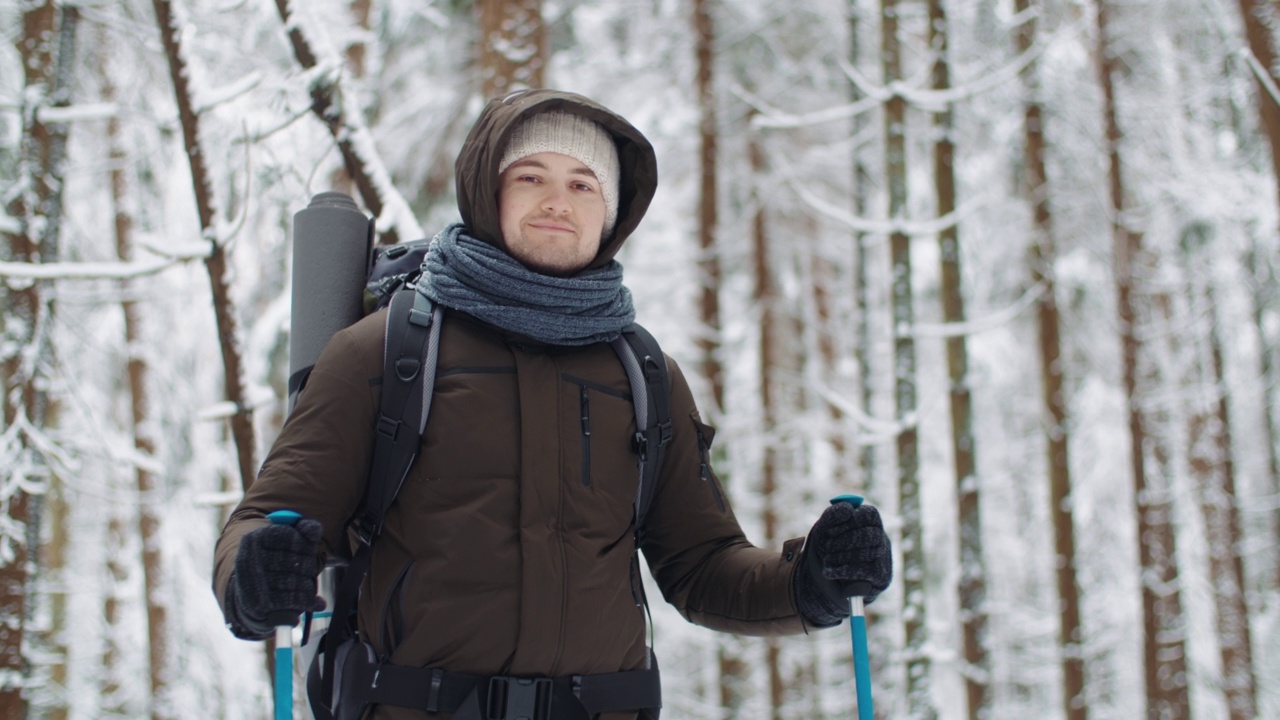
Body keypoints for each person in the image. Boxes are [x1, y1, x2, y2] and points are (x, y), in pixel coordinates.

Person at [213, 88, 892, 720]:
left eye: (582, 183)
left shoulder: (645, 374)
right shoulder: (385, 352)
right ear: (489, 191)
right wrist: (255, 573)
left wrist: (813, 582)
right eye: (530, 176)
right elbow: (263, 523)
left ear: (613, 210)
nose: (557, 202)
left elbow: (704, 567)